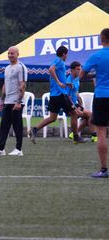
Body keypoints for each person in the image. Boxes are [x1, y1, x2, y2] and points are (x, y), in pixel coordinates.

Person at [29, 46, 85, 144]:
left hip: (54, 95)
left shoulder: (55, 61)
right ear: (64, 54)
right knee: (74, 114)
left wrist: (65, 83)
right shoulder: (60, 61)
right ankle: (76, 137)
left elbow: (57, 77)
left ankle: (34, 130)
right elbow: (51, 70)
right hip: (61, 94)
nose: (67, 56)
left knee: (52, 118)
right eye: (66, 54)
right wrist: (59, 82)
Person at [0, 46, 27, 156]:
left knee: (17, 125)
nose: (10, 55)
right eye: (9, 53)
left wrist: (18, 102)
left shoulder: (21, 67)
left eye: (12, 53)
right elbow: (5, 84)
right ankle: (1, 149)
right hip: (7, 101)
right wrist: (1, 100)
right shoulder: (7, 68)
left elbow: (23, 85)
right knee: (4, 125)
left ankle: (19, 149)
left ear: (18, 54)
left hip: (16, 101)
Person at [80, 28, 109, 178]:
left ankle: (104, 169)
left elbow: (81, 74)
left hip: (102, 95)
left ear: (101, 39)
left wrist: (96, 74)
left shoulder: (96, 56)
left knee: (102, 132)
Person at [66, 61, 97, 142]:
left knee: (89, 116)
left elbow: (75, 91)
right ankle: (94, 136)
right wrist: (74, 108)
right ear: (72, 70)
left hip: (75, 104)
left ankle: (73, 134)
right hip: (69, 105)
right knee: (88, 115)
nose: (79, 71)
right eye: (77, 69)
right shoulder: (69, 81)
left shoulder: (77, 79)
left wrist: (79, 99)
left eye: (80, 69)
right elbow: (67, 97)